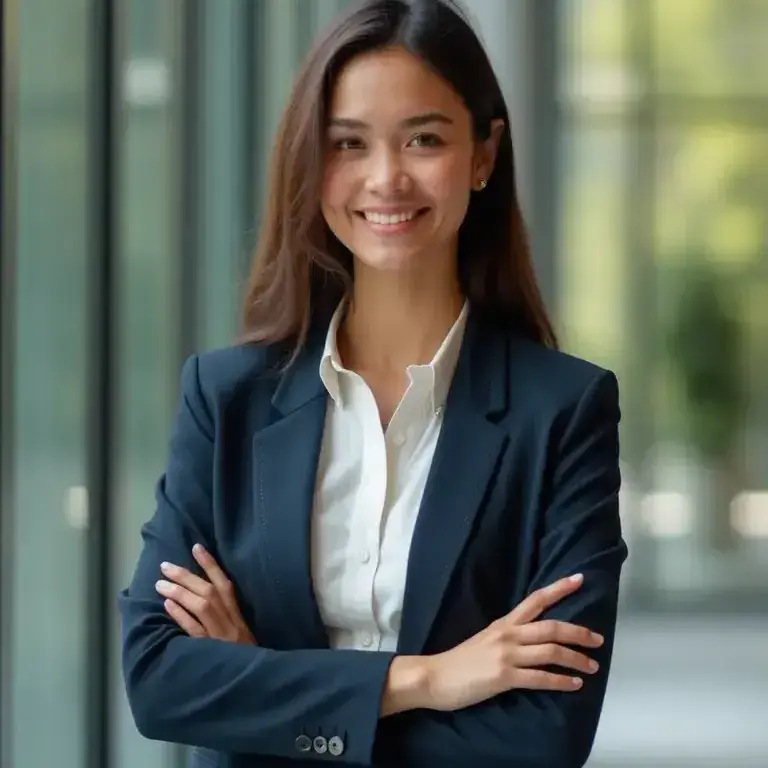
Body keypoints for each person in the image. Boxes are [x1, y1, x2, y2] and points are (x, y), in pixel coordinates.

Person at [118, 1, 628, 766]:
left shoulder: (562, 412)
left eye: (424, 139)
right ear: (310, 164)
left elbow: (544, 736)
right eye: (347, 144)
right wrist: (426, 679)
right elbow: (158, 680)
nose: (386, 177)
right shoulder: (225, 399)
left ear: (483, 155)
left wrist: (266, 687)